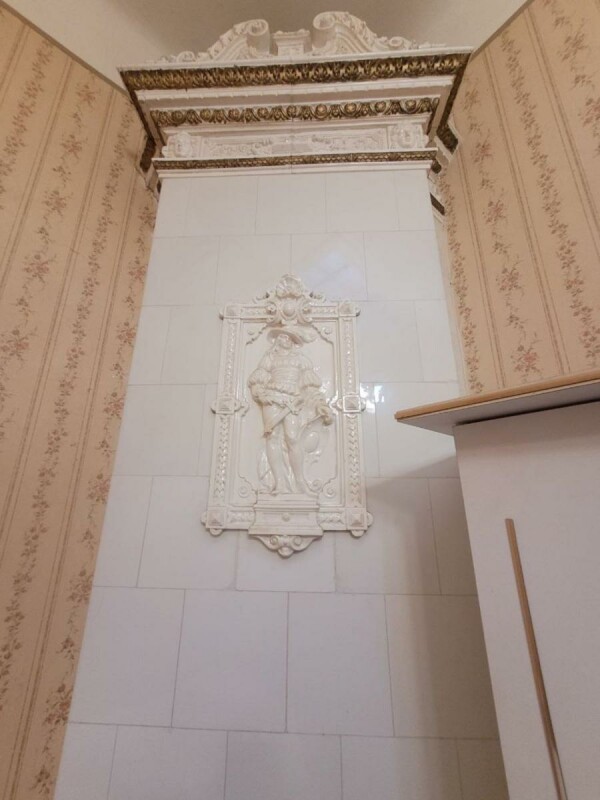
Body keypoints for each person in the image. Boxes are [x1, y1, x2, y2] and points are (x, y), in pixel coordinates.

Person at [248, 327, 332, 494]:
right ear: (277, 340)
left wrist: (321, 404)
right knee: (272, 437)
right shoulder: (269, 358)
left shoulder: (301, 360)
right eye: (281, 337)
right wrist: (260, 394)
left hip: (293, 400)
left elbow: (310, 386)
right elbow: (258, 380)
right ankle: (279, 483)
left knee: (292, 438)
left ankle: (300, 482)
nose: (284, 339)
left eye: (288, 337)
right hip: (272, 398)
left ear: (293, 342)